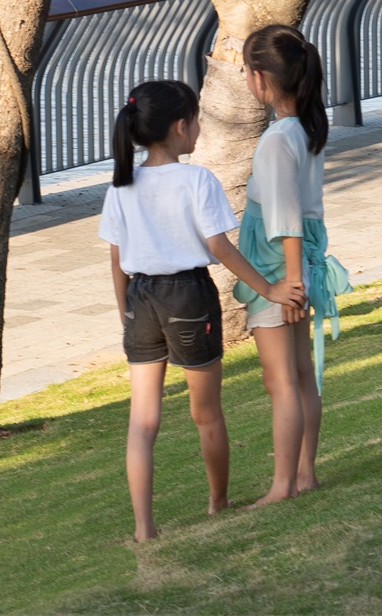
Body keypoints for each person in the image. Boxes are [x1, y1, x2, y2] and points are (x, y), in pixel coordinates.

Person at [101, 79, 302, 542]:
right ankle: (217, 502)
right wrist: (269, 290)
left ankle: (144, 528)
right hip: (187, 294)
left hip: (140, 300)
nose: (197, 131)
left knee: (143, 420)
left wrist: (124, 315)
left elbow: (116, 259)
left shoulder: (121, 184)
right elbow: (219, 246)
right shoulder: (195, 180)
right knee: (206, 412)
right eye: (196, 122)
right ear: (179, 126)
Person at [234, 25, 348, 505]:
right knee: (300, 376)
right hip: (295, 263)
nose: (243, 76)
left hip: (279, 267)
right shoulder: (305, 126)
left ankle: (284, 484)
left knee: (281, 380)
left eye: (244, 68)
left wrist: (292, 285)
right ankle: (304, 475)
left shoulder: (278, 140)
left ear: (260, 79)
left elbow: (286, 219)